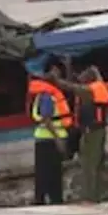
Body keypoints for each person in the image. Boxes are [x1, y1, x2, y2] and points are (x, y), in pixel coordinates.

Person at [28, 64, 72, 205]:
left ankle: (44, 200)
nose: (56, 77)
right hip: (49, 140)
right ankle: (51, 201)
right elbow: (47, 119)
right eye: (54, 74)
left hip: (46, 139)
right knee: (50, 174)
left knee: (46, 173)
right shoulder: (47, 96)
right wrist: (58, 138)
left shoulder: (49, 94)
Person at [76, 67, 108, 203]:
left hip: (93, 130)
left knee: (91, 164)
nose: (81, 76)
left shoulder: (93, 91)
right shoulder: (94, 90)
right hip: (92, 130)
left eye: (84, 74)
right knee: (91, 164)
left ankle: (91, 196)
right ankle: (93, 195)